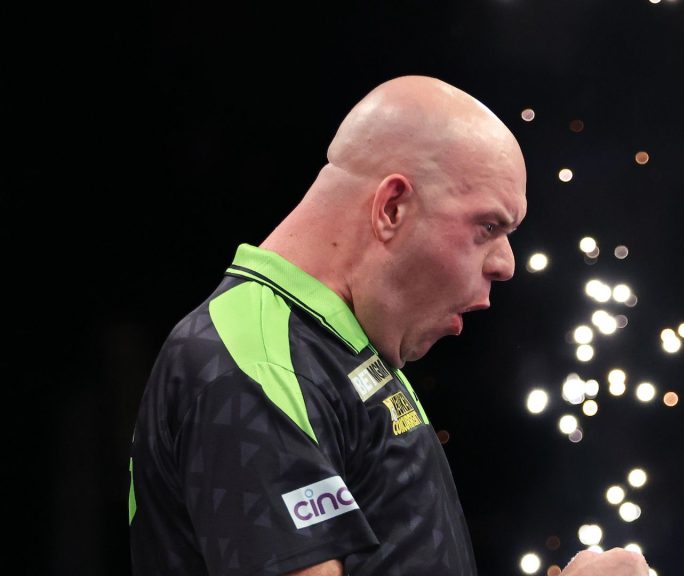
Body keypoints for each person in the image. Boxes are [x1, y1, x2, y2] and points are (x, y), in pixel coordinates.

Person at [128, 76, 649, 576]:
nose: (506, 264)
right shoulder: (255, 363)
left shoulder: (333, 344)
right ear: (392, 208)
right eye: (488, 226)